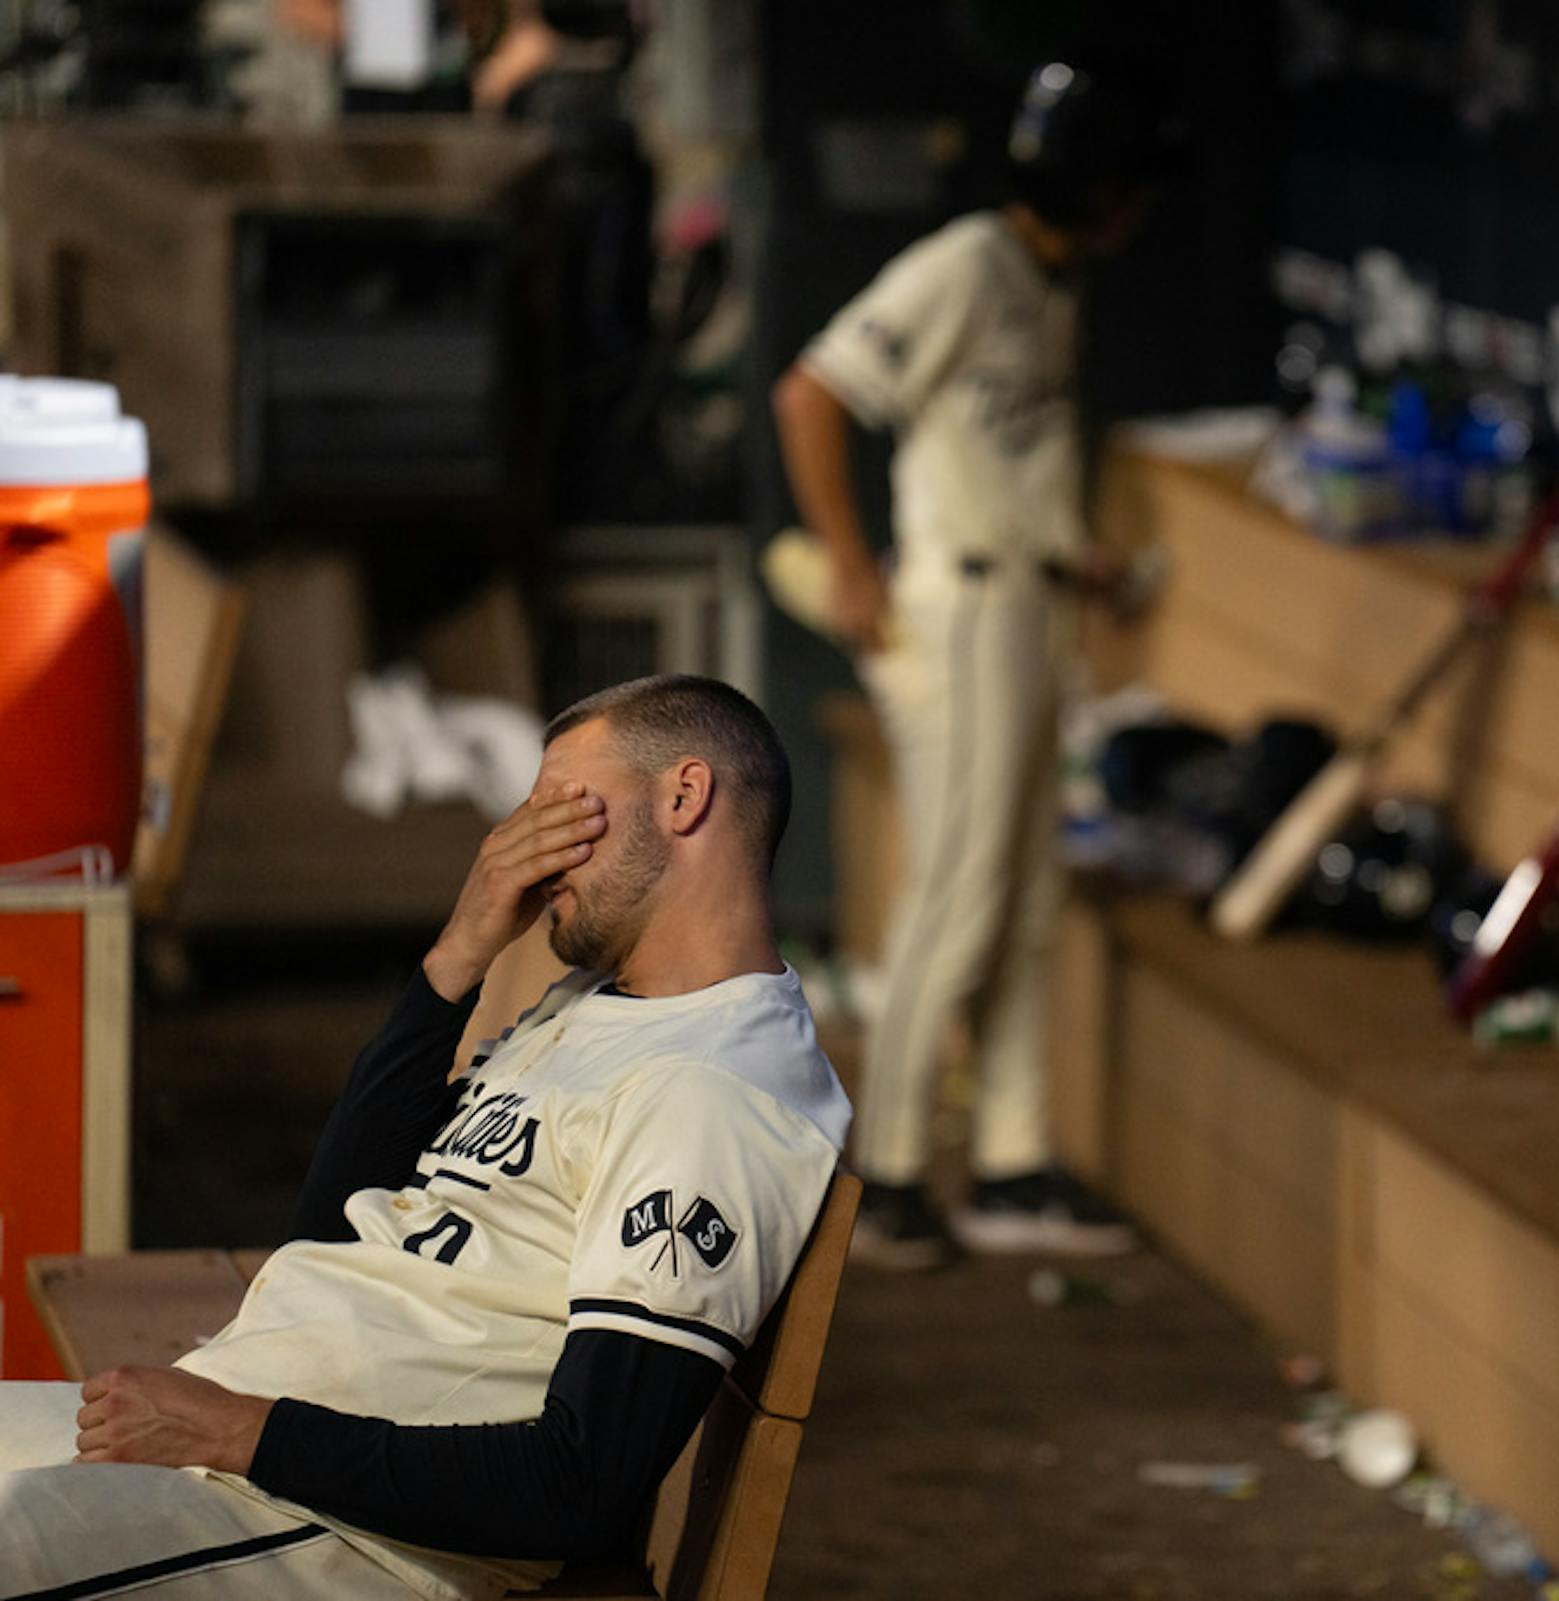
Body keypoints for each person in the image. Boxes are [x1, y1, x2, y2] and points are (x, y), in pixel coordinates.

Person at [0, 674, 850, 1599]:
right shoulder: (596, 1009)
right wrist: (455, 959)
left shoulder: (711, 1091)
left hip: (342, 1530)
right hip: (271, 1440)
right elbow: (334, 1234)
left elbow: (580, 1484)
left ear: (683, 797)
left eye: (563, 809)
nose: (523, 849)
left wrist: (236, 1431)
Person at [772, 61, 1174, 1268]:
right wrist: (850, 561)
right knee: (959, 894)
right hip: (960, 613)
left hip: (1029, 597)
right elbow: (810, 393)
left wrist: (1076, 553)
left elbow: (1000, 454)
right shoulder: (964, 263)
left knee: (1028, 903)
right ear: (1100, 189)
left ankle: (1011, 1159)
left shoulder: (1053, 281)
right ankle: (886, 1173)